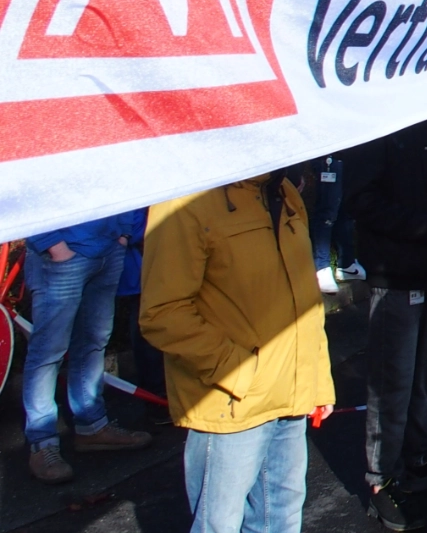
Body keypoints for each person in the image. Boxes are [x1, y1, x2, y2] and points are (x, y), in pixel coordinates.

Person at [140, 175, 333, 533]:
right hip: (231, 403)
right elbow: (162, 313)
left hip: (291, 396)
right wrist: (240, 372)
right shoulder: (184, 199)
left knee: (283, 519)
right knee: (219, 525)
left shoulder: (284, 191)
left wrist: (319, 382)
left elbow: (306, 300)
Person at [343, 117, 427, 531]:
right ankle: (379, 479)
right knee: (391, 381)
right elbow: (360, 198)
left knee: (421, 375)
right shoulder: (381, 119)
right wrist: (424, 228)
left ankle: (418, 458)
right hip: (395, 272)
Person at [21, 211, 153, 484]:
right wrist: (54, 246)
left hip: (107, 249)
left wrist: (122, 234)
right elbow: (21, 190)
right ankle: (42, 444)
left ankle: (92, 427)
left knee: (93, 342)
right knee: (48, 353)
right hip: (60, 256)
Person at [308, 152, 363, 293]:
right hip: (328, 155)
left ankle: (347, 263)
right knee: (327, 212)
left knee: (346, 211)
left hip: (349, 153)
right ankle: (322, 267)